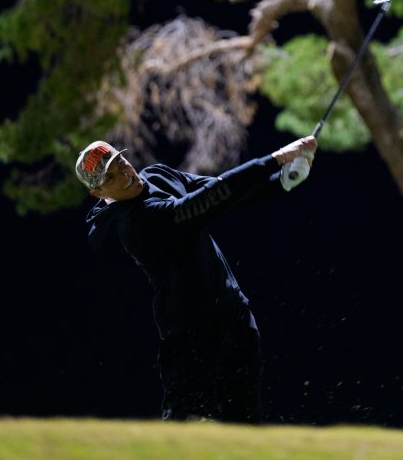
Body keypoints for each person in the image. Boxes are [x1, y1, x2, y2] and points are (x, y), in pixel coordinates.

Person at [75, 134, 317, 423]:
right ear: (98, 193)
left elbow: (219, 192)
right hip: (189, 334)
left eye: (121, 162)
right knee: (188, 423)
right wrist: (277, 159)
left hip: (233, 315)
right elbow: (206, 201)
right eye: (111, 177)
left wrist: (281, 182)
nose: (124, 174)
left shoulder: (157, 175)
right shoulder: (135, 224)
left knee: (244, 419)